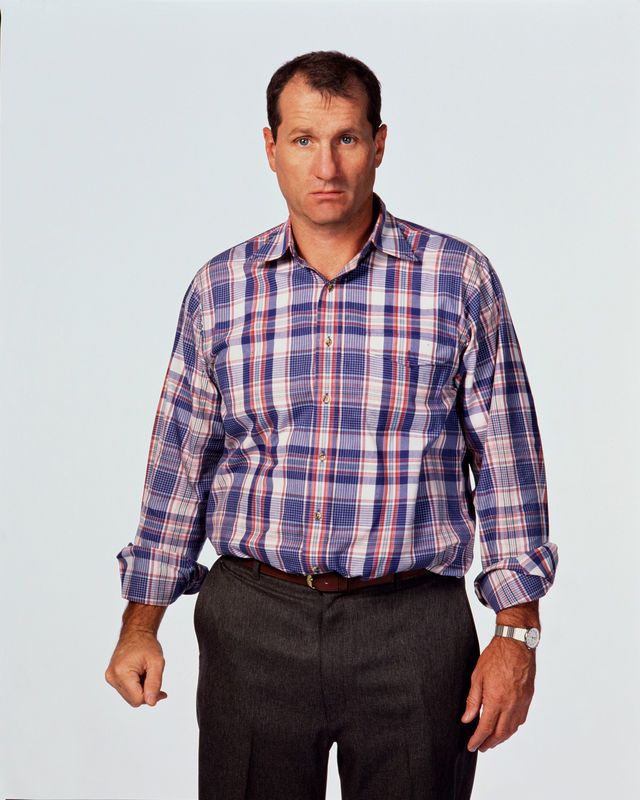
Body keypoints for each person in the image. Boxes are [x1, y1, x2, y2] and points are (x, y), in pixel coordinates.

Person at [106, 51, 558, 800]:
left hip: (413, 629)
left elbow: (508, 465)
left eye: (346, 138)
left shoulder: (457, 279)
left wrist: (517, 635)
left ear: (379, 144)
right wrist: (140, 624)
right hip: (254, 622)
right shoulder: (220, 290)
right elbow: (180, 467)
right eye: (303, 139)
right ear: (271, 148)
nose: (326, 166)